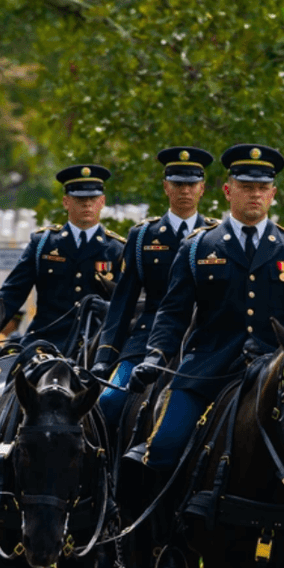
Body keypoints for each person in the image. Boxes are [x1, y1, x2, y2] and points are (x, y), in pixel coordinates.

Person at [128, 143, 284, 568]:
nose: (254, 195)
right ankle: (170, 547)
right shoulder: (197, 247)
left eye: (262, 188)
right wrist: (155, 354)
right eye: (245, 187)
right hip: (209, 370)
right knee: (162, 445)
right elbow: (172, 313)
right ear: (226, 190)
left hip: (277, 372)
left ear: (273, 194)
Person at [92, 146, 218, 427]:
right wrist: (105, 355)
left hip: (203, 340)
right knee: (109, 402)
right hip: (145, 341)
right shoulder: (142, 237)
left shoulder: (215, 237)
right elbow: (122, 303)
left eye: (191, 184)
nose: (184, 190)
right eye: (177, 184)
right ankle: (107, 471)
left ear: (202, 188)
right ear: (165, 187)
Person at [0, 164, 125, 356]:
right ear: (66, 202)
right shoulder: (43, 244)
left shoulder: (117, 249)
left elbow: (129, 300)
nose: (87, 204)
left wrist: (107, 308)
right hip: (44, 341)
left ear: (102, 202)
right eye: (80, 198)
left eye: (93, 198)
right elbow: (12, 293)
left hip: (96, 345)